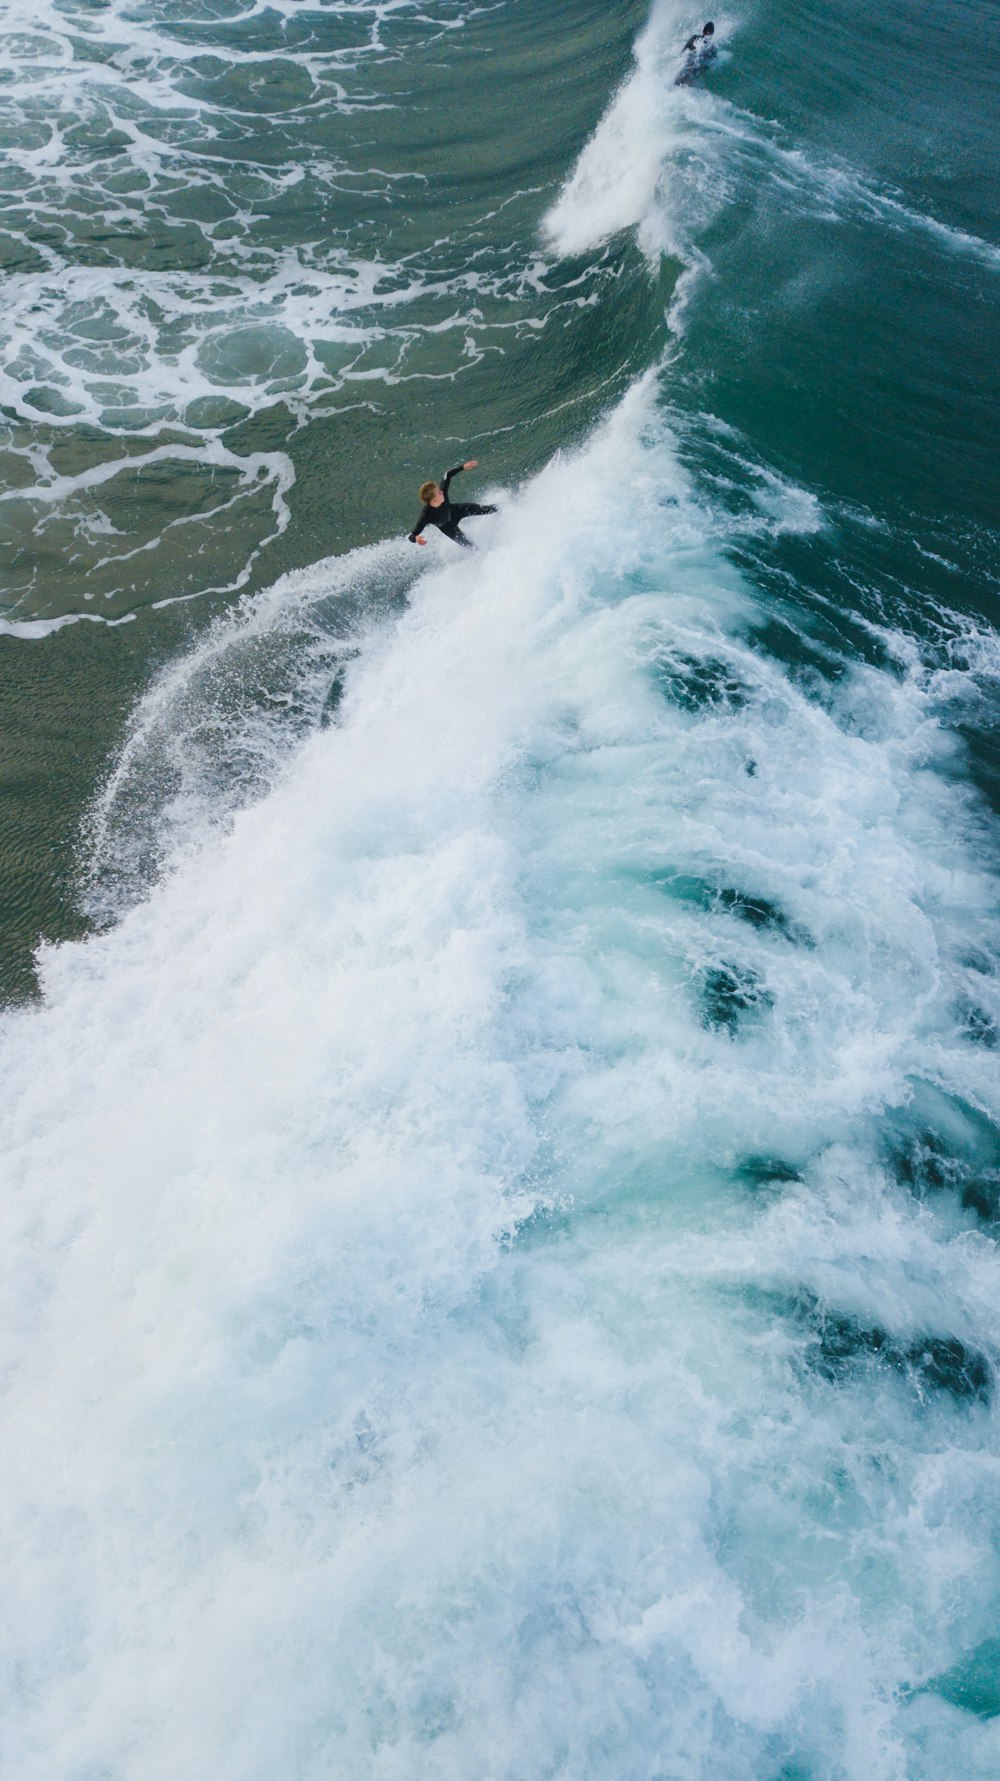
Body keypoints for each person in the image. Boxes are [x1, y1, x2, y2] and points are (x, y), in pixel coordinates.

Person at [408, 459, 497, 549]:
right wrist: (416, 538)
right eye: (438, 492)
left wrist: (463, 467)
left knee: (486, 509)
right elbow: (411, 536)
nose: (441, 492)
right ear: (434, 500)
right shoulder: (426, 515)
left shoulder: (442, 492)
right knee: (472, 547)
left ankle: (506, 507)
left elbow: (447, 474)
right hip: (448, 528)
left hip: (455, 511)